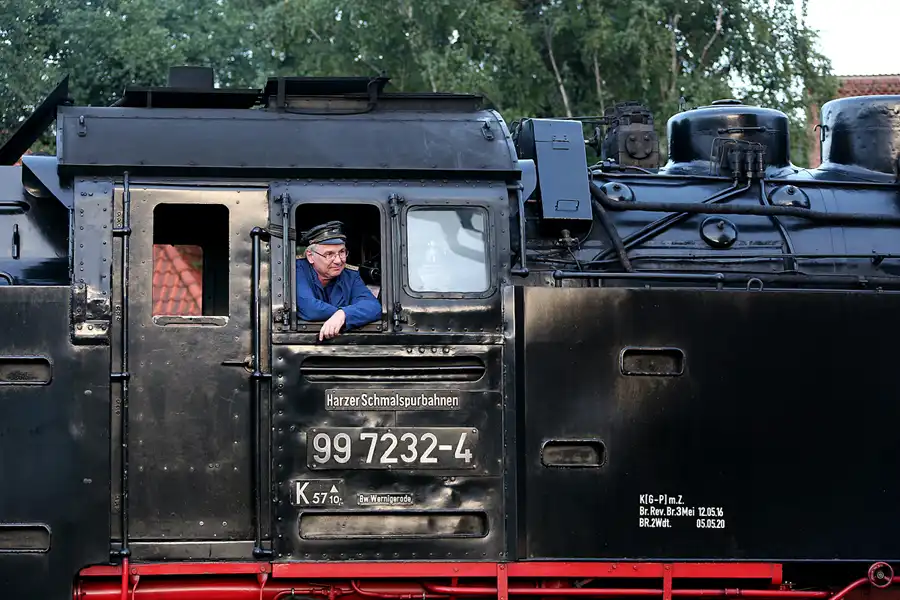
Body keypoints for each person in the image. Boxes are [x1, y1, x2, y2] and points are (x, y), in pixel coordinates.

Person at [295, 220, 381, 340]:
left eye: (342, 252)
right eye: (329, 254)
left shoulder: (350, 275)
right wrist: (350, 313)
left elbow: (373, 307)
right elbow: (310, 308)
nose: (338, 261)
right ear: (310, 256)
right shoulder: (296, 270)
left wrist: (343, 314)